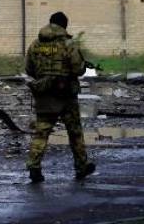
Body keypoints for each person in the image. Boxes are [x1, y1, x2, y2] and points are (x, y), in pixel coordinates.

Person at [25, 12, 96, 183]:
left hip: (44, 95)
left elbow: (29, 69)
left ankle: (34, 166)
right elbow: (78, 69)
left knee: (41, 132)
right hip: (65, 96)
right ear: (64, 26)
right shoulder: (69, 44)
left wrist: (44, 77)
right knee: (75, 133)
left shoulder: (35, 45)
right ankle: (81, 166)